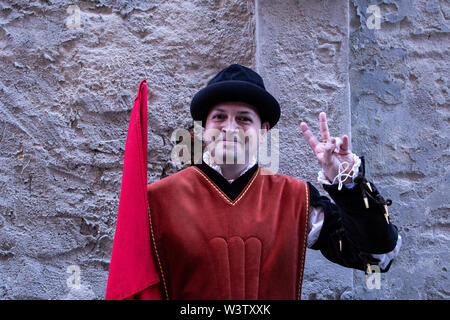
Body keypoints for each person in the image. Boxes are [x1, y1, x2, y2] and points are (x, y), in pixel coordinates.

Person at [106, 64, 401, 300]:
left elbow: (377, 256)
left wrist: (347, 186)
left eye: (244, 119)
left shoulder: (297, 198)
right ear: (203, 130)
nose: (230, 128)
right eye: (219, 117)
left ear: (262, 131)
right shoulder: (157, 201)